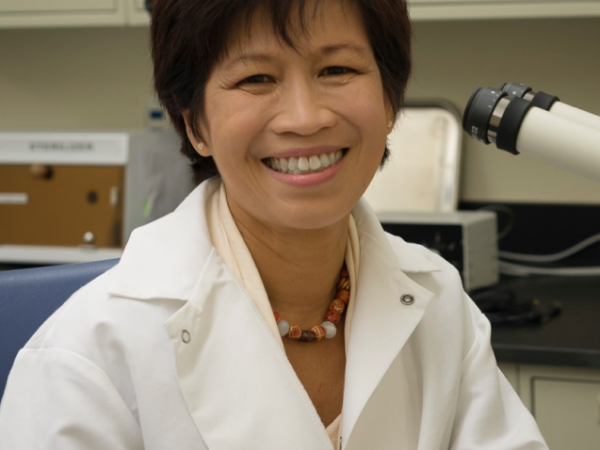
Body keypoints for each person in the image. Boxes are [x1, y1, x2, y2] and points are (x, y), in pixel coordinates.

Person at [0, 0, 548, 448]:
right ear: (196, 126)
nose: (304, 117)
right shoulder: (86, 355)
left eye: (337, 70)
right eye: (256, 78)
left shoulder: (438, 298)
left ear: (389, 102)